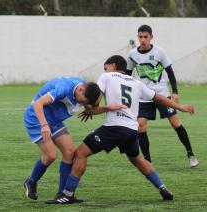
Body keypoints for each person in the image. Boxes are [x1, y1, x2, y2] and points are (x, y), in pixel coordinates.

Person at [49, 55, 195, 204]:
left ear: (112, 66)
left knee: (80, 153)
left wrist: (89, 108)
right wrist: (180, 107)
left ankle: (67, 194)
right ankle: (163, 188)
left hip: (114, 128)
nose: (105, 70)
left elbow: (95, 99)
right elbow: (159, 98)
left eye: (106, 67)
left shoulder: (107, 76)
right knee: (137, 159)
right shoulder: (137, 83)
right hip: (132, 130)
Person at [23, 77, 124, 202]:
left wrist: (108, 108)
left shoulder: (85, 91)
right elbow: (38, 104)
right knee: (51, 155)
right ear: (80, 90)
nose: (82, 104)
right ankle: (31, 182)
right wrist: (44, 125)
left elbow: (90, 108)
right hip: (37, 119)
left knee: (70, 152)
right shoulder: (63, 89)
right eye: (82, 102)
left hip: (54, 121)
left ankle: (63, 195)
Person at [126, 25, 198, 167]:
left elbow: (170, 72)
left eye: (146, 37)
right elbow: (127, 75)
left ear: (151, 37)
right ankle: (147, 160)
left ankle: (190, 154)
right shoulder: (132, 54)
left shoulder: (160, 52)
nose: (143, 40)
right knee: (140, 126)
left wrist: (175, 92)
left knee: (175, 123)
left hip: (162, 95)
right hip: (143, 96)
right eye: (140, 37)